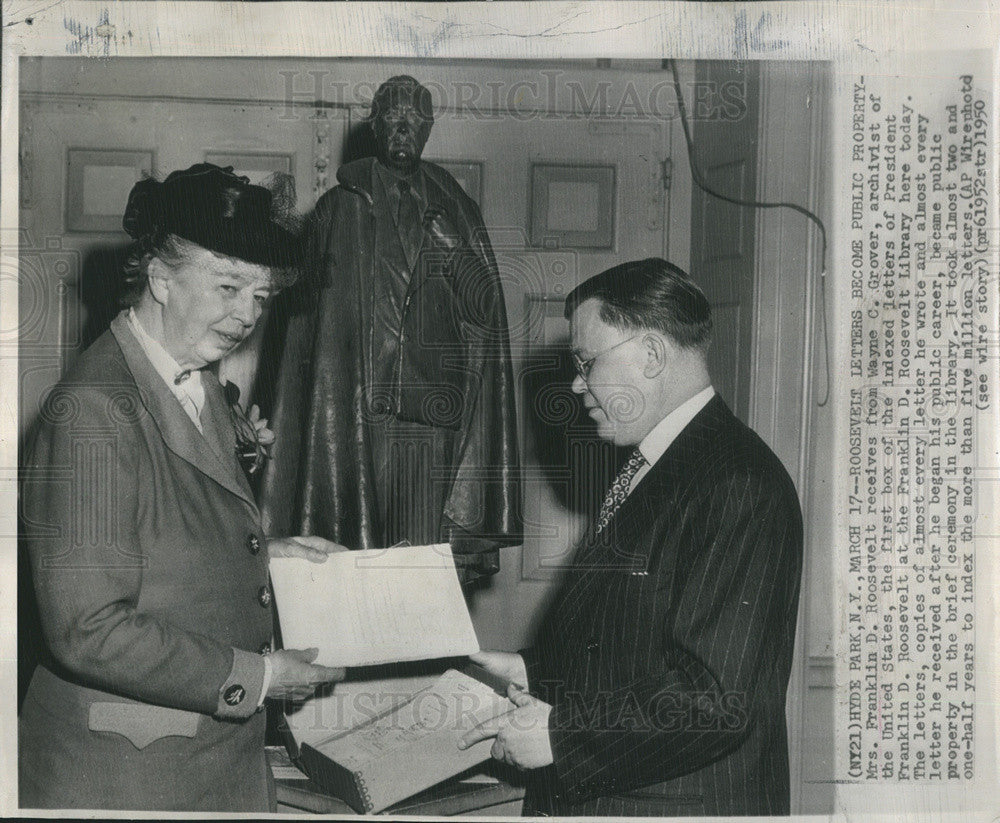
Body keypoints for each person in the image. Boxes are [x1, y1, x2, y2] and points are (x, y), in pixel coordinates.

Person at [18, 164, 346, 812]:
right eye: (228, 286)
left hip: (205, 768)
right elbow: (88, 627)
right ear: (161, 278)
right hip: (128, 778)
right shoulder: (92, 410)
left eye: (262, 295)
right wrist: (258, 676)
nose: (247, 313)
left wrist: (268, 551)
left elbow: (153, 537)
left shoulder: (191, 379)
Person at [463, 258, 804, 816]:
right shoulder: (661, 460)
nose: (577, 384)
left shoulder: (738, 482)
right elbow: (635, 638)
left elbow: (715, 699)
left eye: (586, 361)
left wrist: (560, 737)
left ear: (650, 354)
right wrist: (534, 669)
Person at [259, 75, 520, 583]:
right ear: (375, 127)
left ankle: (418, 662)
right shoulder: (339, 209)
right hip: (355, 408)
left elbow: (484, 310)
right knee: (350, 566)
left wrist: (452, 248)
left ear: (428, 131)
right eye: (393, 122)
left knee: (419, 575)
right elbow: (309, 327)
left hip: (426, 416)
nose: (403, 132)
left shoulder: (456, 209)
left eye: (414, 123)